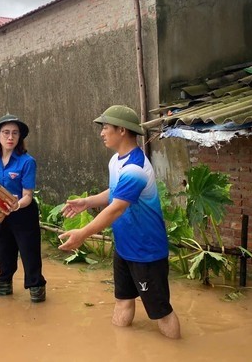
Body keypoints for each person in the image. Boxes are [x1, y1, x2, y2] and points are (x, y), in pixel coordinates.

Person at [58, 105, 181, 339]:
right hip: (125, 247)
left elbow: (116, 209)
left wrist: (82, 233)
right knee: (122, 301)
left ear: (122, 130)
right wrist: (88, 202)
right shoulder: (117, 161)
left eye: (105, 128)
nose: (102, 133)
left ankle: (176, 352)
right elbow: (115, 192)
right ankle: (121, 348)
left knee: (161, 312)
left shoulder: (135, 167)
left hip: (146, 252)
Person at [0, 114, 46, 303]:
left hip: (23, 213)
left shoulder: (27, 161)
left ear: (19, 137)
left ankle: (36, 290)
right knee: (3, 253)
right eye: (6, 133)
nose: (10, 137)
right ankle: (3, 287)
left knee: (29, 254)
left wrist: (17, 204)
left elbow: (27, 195)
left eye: (15, 133)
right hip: (1, 213)